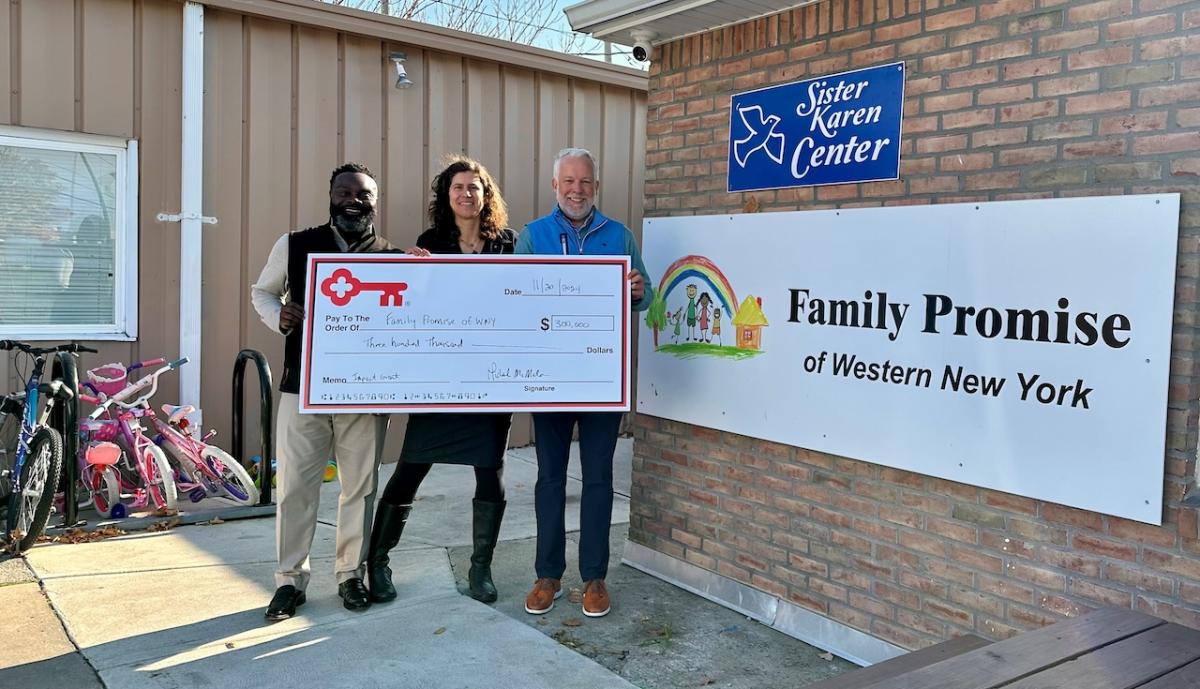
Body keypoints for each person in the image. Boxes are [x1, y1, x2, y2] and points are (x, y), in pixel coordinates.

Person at [367, 156, 516, 604]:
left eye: (475, 187)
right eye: (458, 187)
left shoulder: (507, 244)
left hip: (489, 377)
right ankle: (378, 562)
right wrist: (414, 271)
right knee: (411, 466)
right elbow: (418, 303)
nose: (466, 194)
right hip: (442, 375)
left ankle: (480, 568)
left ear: (486, 195)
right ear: (445, 196)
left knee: (490, 471)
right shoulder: (430, 242)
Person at [250, 163, 395, 620]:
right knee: (295, 487)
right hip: (302, 388)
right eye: (345, 191)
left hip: (365, 394)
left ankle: (350, 575)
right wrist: (281, 317)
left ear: (376, 200)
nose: (354, 200)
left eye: (364, 194)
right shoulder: (294, 244)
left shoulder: (392, 257)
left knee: (360, 488)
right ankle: (290, 581)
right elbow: (262, 294)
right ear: (330, 195)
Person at [516, 147, 653, 618]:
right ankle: (547, 576)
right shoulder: (532, 236)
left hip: (600, 378)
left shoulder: (619, 236)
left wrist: (638, 290)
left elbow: (645, 294)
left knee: (598, 479)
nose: (577, 189)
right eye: (569, 181)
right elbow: (511, 299)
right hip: (549, 379)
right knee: (550, 479)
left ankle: (594, 577)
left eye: (586, 182)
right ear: (555, 185)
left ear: (596, 187)